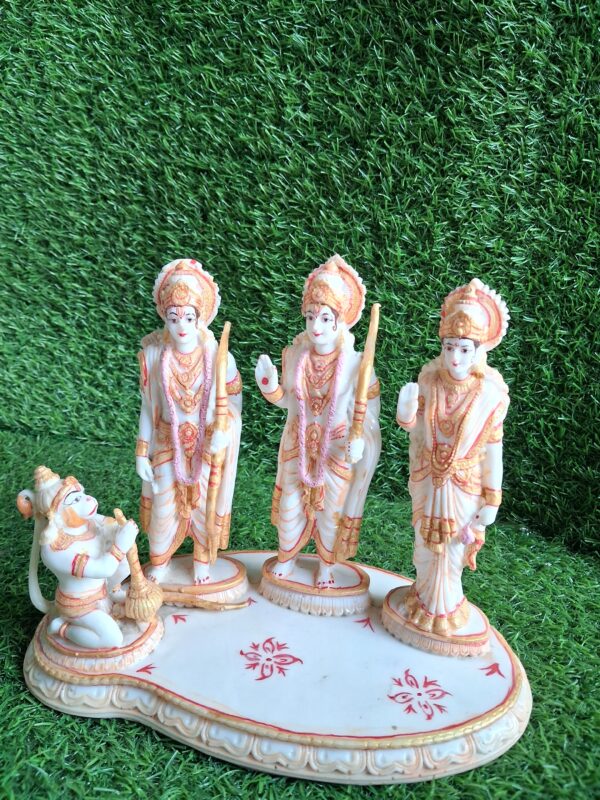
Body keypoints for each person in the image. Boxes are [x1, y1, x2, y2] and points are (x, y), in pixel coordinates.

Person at [255, 255, 381, 588]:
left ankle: (326, 565)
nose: (316, 327)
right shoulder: (296, 355)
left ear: (342, 321)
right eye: (311, 317)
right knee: (290, 507)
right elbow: (288, 401)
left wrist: (359, 441)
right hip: (297, 445)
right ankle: (287, 557)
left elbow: (369, 419)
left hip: (336, 449)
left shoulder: (357, 366)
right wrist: (269, 386)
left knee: (331, 513)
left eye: (326, 318)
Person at [396, 278, 509, 637]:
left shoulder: (490, 395)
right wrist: (405, 413)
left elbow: (493, 451)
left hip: (464, 485)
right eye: (449, 348)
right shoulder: (429, 381)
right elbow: (417, 430)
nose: (455, 358)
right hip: (430, 478)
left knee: (453, 550)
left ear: (479, 349)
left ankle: (445, 608)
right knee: (424, 545)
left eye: (463, 349)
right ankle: (423, 596)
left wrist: (492, 499)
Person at [135, 259, 242, 585]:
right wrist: (141, 453)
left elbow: (234, 404)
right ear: (165, 319)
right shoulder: (153, 356)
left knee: (204, 504)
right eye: (173, 317)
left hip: (206, 444)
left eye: (189, 317)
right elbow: (147, 408)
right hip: (167, 443)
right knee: (163, 506)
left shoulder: (219, 358)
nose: (181, 325)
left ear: (200, 318)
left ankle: (201, 561)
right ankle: (160, 561)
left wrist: (224, 430)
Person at [17, 466, 138, 649]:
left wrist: (118, 529)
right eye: (75, 500)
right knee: (113, 639)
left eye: (82, 494)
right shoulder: (56, 548)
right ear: (57, 514)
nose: (87, 499)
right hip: (80, 605)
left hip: (103, 589)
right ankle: (63, 628)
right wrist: (121, 544)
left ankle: (112, 593)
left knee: (125, 564)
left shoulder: (88, 522)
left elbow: (109, 524)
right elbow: (104, 568)